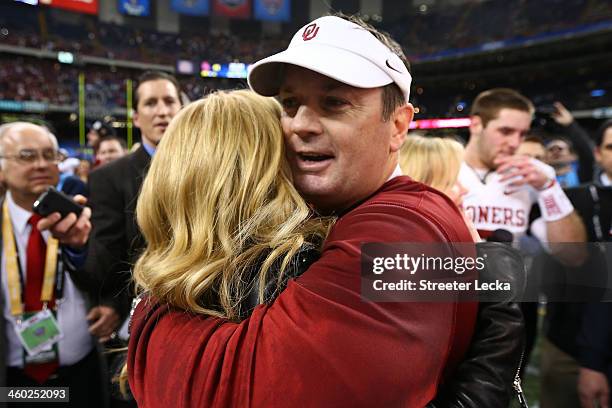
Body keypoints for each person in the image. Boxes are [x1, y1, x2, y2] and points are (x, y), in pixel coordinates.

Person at [127, 16, 479, 407]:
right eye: (290, 103)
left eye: (334, 103)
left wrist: (151, 316)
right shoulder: (324, 216)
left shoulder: (403, 231)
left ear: (398, 125)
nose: (301, 125)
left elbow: (244, 393)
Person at [0, 122, 100, 407]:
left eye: (50, 155)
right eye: (27, 156)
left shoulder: (84, 216)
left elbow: (107, 278)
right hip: (16, 384)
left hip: (83, 376)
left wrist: (80, 249)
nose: (42, 164)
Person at [85, 71, 182, 342]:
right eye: (151, 103)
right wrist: (116, 304)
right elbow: (109, 257)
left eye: (169, 101)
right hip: (144, 318)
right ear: (136, 117)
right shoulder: (109, 177)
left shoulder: (209, 168)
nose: (162, 111)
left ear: (182, 109)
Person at [459, 88, 585, 253]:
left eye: (522, 134)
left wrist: (548, 188)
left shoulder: (535, 174)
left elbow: (573, 254)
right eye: (506, 131)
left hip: (513, 276)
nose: (514, 143)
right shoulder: (442, 169)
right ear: (476, 125)